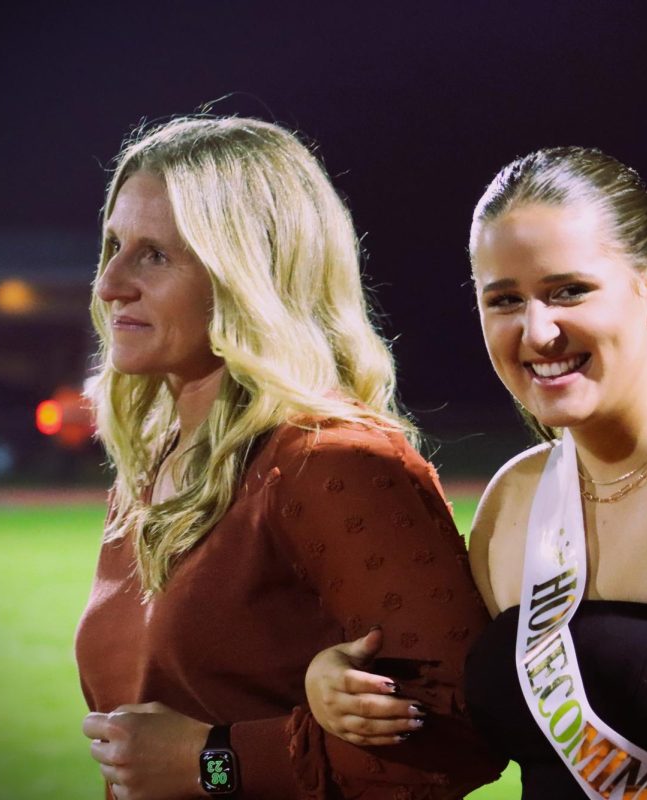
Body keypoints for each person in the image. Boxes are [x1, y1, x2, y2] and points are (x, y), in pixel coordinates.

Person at [305, 147, 647, 798]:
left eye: (569, 290)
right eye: (505, 300)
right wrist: (330, 685)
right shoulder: (515, 498)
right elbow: (458, 723)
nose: (538, 333)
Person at [74, 116, 504, 800]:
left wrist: (213, 760)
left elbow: (461, 732)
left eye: (154, 255)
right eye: (113, 246)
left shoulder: (333, 463)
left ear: (248, 273)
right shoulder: (158, 458)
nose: (110, 284)